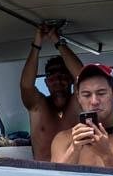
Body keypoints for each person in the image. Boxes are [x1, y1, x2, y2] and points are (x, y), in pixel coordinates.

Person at [18, 24, 85, 163]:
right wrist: (37, 44)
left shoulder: (79, 103)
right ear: (46, 82)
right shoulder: (38, 105)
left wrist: (57, 41)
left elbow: (83, 78)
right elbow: (26, 86)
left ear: (71, 79)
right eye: (52, 76)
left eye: (63, 74)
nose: (58, 80)